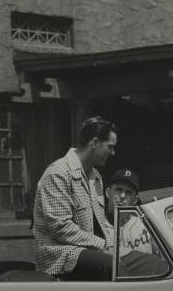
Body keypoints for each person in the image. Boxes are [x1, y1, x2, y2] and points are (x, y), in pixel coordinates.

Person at [32, 116, 118, 280]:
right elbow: (60, 227)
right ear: (95, 142)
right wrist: (103, 245)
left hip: (89, 251)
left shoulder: (96, 177)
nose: (113, 153)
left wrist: (115, 244)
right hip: (59, 255)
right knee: (112, 265)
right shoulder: (58, 173)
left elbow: (102, 222)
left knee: (139, 260)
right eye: (110, 147)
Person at [105, 168, 152, 254]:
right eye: (119, 190)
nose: (123, 196)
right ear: (108, 192)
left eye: (128, 192)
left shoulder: (147, 225)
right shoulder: (96, 226)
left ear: (135, 200)